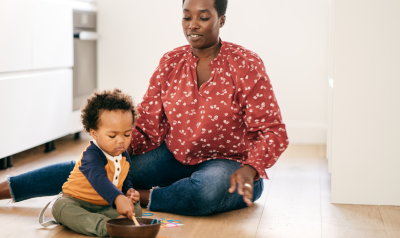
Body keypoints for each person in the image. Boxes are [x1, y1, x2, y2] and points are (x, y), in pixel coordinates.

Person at [0, 0, 289, 216]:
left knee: (207, 192)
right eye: (186, 16)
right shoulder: (170, 62)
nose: (192, 24)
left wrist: (251, 168)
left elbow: (273, 131)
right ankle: (7, 188)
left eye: (203, 17)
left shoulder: (246, 63)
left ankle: (138, 196)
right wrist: (115, 148)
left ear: (221, 19)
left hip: (228, 163)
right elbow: (149, 121)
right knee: (95, 166)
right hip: (173, 155)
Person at [51, 89, 142, 237]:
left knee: (136, 209)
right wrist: (118, 199)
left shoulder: (123, 154)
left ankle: (114, 222)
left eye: (127, 134)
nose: (121, 140)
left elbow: (124, 178)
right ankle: (104, 227)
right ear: (94, 133)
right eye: (112, 135)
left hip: (106, 205)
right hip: (77, 202)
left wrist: (128, 192)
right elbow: (98, 180)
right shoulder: (91, 155)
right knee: (61, 207)